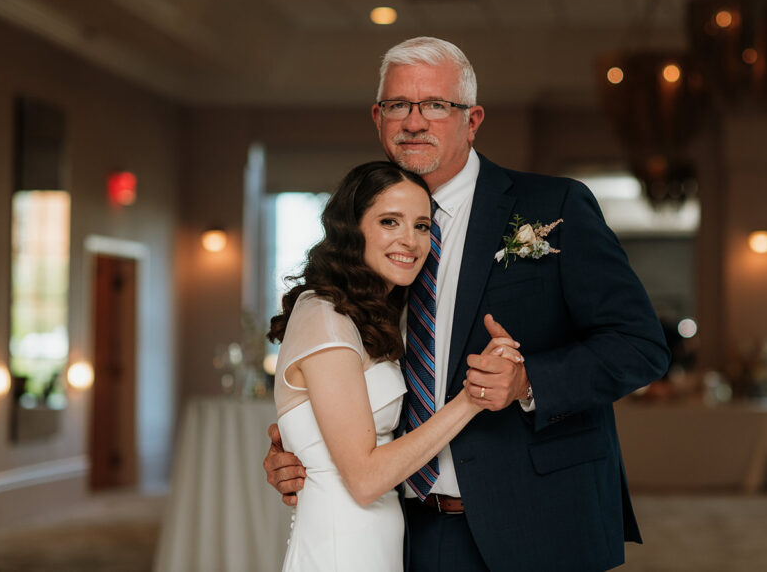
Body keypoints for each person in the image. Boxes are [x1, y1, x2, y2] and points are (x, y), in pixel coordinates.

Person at [264, 37, 670, 572]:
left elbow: (640, 347)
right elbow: (344, 374)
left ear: (472, 119)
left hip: (542, 521)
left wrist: (529, 382)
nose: (414, 122)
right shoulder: (371, 242)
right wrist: (301, 446)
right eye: (397, 106)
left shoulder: (555, 206)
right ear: (377, 118)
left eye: (435, 105)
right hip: (411, 527)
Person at [268, 160, 521, 571]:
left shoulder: (368, 316)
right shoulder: (324, 316)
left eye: (422, 226)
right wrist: (471, 400)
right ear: (353, 230)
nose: (411, 240)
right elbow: (365, 478)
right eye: (390, 221)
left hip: (376, 543)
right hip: (340, 550)